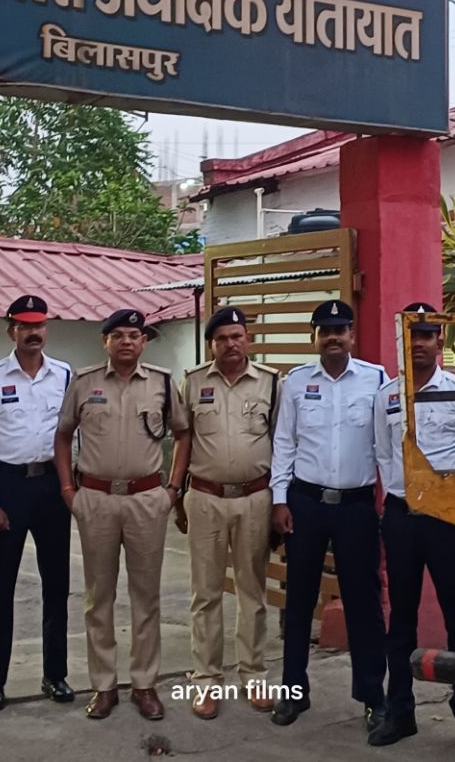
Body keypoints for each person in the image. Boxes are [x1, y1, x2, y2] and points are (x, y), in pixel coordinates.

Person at [369, 303, 455, 755]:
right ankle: (400, 713)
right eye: (411, 335)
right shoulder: (387, 396)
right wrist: (401, 498)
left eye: (426, 335)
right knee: (400, 618)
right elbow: (384, 454)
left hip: (447, 520)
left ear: (441, 340)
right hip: (402, 518)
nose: (418, 343)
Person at [56, 309, 187, 721]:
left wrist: (172, 489)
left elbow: (183, 433)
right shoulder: (84, 382)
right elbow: (63, 435)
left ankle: (144, 684)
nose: (127, 341)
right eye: (119, 336)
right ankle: (104, 686)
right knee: (99, 597)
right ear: (106, 341)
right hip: (95, 499)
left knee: (146, 596)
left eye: (134, 335)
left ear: (144, 341)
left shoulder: (162, 382)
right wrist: (68, 491)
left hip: (146, 499)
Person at [269, 300, 388, 730]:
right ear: (314, 337)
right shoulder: (296, 382)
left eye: (340, 329)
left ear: (352, 335)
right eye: (325, 330)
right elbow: (284, 442)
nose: (333, 337)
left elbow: (387, 444)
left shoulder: (376, 379)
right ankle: (293, 693)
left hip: (356, 506)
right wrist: (279, 499)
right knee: (299, 601)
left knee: (364, 604)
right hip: (306, 503)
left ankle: (373, 697)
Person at [169, 306, 281, 719]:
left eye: (237, 336)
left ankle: (253, 674)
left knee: (253, 591)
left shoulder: (271, 383)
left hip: (255, 497)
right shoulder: (193, 382)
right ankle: (206, 680)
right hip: (205, 497)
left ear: (247, 339)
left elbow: (282, 443)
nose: (230, 344)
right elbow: (183, 439)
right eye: (222, 339)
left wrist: (280, 501)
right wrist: (176, 495)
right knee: (206, 593)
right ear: (211, 345)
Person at [0, 294, 77, 710]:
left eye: (39, 325)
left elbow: (72, 433)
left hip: (51, 486)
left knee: (57, 586)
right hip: (8, 485)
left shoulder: (63, 374)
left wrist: (70, 485)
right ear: (11, 331)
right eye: (25, 326)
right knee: (1, 589)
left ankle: (55, 675)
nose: (34, 333)